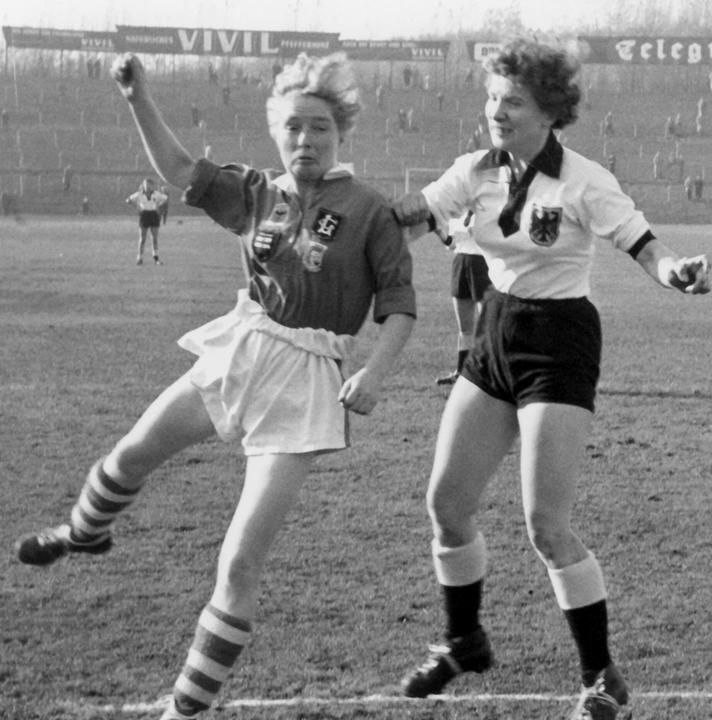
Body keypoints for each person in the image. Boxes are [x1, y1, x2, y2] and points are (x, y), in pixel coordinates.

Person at [13, 51, 416, 720]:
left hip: (306, 382)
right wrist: (137, 95)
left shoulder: (370, 211)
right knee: (129, 455)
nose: (304, 140)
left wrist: (374, 371)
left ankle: (184, 710)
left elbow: (400, 307)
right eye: (292, 128)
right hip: (241, 346)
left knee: (238, 564)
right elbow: (178, 171)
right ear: (275, 131)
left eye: (318, 127)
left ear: (340, 131)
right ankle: (82, 533)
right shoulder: (258, 190)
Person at [390, 38, 710, 720]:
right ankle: (462, 640)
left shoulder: (584, 180)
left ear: (548, 112)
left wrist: (677, 273)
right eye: (493, 98)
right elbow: (412, 219)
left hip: (557, 344)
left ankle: (603, 680)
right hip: (495, 333)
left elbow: (644, 247)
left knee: (546, 525)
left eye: (514, 101)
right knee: (446, 506)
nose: (497, 110)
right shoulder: (473, 170)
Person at [435, 212, 490, 385]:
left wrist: (469, 229)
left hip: (482, 264)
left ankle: (488, 374)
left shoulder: (485, 204)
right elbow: (451, 243)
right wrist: (438, 231)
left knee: (486, 325)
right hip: (461, 262)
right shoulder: (458, 212)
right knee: (465, 327)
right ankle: (461, 372)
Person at [125, 177, 169, 265]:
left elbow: (166, 199)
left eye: (149, 185)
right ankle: (139, 258)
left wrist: (159, 206)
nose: (148, 187)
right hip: (144, 215)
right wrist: (137, 206)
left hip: (154, 215)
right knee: (142, 238)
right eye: (146, 185)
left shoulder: (156, 194)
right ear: (143, 185)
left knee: (154, 238)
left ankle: (156, 258)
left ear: (152, 186)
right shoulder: (139, 194)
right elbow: (128, 200)